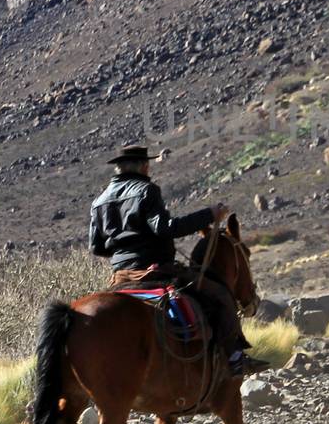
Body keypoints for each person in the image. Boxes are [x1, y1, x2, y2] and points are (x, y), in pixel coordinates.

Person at [89, 145, 264, 375]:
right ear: (144, 166)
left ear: (119, 169)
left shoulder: (99, 201)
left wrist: (124, 250)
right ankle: (235, 358)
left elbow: (97, 247)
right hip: (156, 269)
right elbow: (165, 228)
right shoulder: (146, 190)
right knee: (220, 295)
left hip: (120, 275)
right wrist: (209, 215)